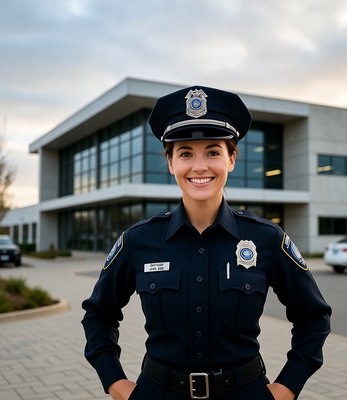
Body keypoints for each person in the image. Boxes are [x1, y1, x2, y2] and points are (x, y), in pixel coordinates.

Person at [81, 85, 332, 400]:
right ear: (171, 163)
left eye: (213, 151)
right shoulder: (139, 240)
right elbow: (98, 313)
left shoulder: (266, 238)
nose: (199, 166)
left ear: (231, 159)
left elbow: (313, 316)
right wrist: (115, 382)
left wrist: (287, 387)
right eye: (185, 153)